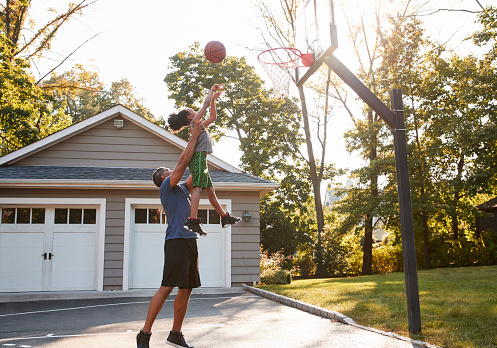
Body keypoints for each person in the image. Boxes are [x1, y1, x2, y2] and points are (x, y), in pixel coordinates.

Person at [136, 88, 217, 348]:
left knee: (187, 289)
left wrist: (202, 141)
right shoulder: (166, 188)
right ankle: (145, 333)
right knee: (168, 287)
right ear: (161, 178)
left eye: (168, 169)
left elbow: (195, 168)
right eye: (164, 170)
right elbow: (183, 161)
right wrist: (193, 136)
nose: (169, 170)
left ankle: (175, 333)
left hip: (189, 240)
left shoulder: (182, 188)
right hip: (175, 240)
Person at [167, 84, 241, 235]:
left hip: (202, 159)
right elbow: (205, 105)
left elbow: (213, 117)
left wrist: (213, 100)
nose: (197, 112)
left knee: (210, 191)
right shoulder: (195, 123)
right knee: (198, 188)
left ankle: (224, 217)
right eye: (194, 111)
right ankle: (192, 220)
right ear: (190, 117)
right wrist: (211, 91)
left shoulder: (200, 126)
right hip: (198, 157)